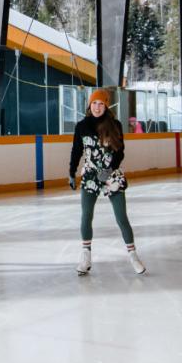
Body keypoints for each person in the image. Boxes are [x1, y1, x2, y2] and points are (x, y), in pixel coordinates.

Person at [68, 89, 145, 276]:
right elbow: (76, 150)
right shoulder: (82, 126)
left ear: (106, 105)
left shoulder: (114, 125)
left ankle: (133, 255)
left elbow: (120, 152)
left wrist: (109, 170)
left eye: (101, 104)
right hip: (91, 176)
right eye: (94, 103)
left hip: (111, 174)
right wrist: (71, 172)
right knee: (86, 215)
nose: (97, 107)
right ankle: (85, 256)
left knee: (121, 217)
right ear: (89, 105)